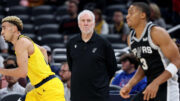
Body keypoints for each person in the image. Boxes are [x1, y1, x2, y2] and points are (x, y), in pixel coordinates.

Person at [120, 2, 180, 101]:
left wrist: (156, 83)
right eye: (127, 13)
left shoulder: (157, 32)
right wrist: (130, 84)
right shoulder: (130, 38)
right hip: (150, 86)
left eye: (131, 13)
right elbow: (144, 64)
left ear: (142, 15)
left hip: (167, 87)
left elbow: (177, 61)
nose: (127, 16)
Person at [1, 16, 65, 101]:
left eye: (4, 28)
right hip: (39, 88)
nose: (2, 32)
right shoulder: (24, 40)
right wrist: (43, 70)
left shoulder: (21, 43)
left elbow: (22, 72)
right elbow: (43, 50)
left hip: (49, 89)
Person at [66, 10, 117, 101]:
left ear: (94, 23)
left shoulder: (104, 43)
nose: (86, 23)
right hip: (77, 95)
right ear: (78, 23)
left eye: (89, 21)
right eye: (83, 20)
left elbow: (112, 68)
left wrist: (99, 83)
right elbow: (72, 66)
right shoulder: (71, 42)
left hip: (99, 95)